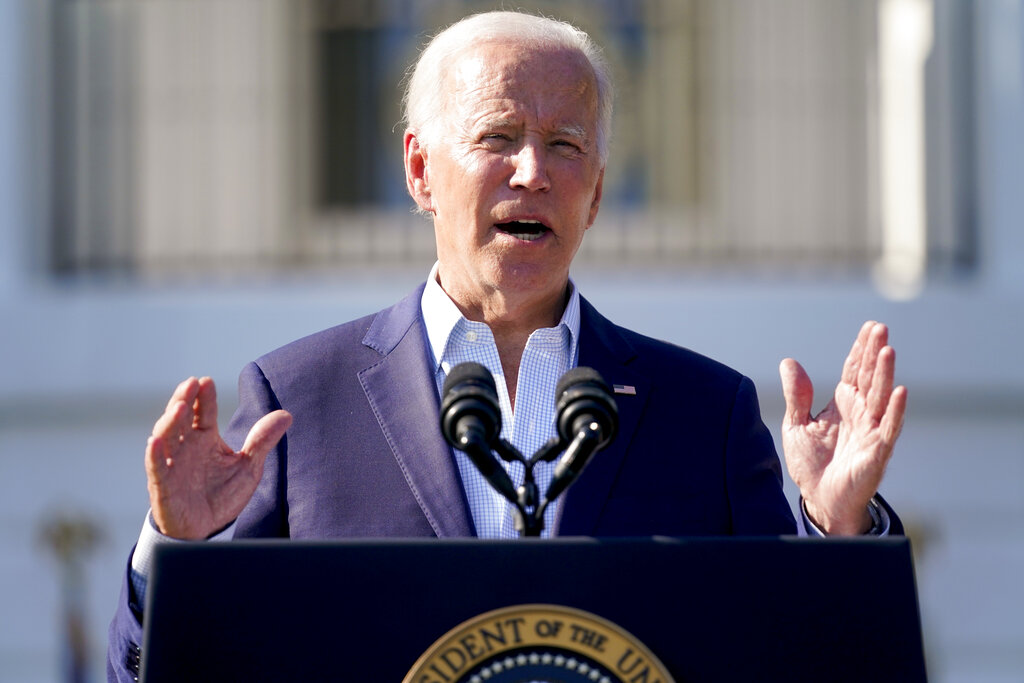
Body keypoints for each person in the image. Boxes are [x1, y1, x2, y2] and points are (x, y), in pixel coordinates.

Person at [107, 10, 907, 681]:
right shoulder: (298, 403)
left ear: (595, 192)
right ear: (421, 171)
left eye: (566, 144)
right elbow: (175, 670)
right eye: (499, 136)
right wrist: (175, 552)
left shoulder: (706, 413)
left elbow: (795, 656)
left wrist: (836, 530)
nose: (533, 171)